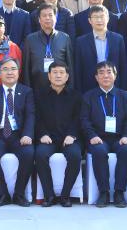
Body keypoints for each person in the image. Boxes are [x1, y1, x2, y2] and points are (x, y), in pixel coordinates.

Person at [80, 61, 127, 208]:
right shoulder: (88, 96)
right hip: (98, 138)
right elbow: (84, 120)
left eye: (109, 72)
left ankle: (119, 192)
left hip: (119, 138)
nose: (105, 76)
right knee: (99, 151)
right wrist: (91, 135)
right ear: (96, 77)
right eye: (101, 73)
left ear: (115, 76)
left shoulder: (124, 96)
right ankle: (103, 192)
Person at [0, 57, 35, 207]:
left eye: (13, 69)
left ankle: (19, 194)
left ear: (18, 72)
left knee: (28, 153)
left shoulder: (27, 92)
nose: (9, 72)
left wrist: (27, 134)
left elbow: (31, 115)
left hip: (19, 135)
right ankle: (3, 194)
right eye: (5, 69)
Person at [32, 62, 82, 208]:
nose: (58, 75)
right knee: (40, 155)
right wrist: (42, 134)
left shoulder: (76, 96)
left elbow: (79, 118)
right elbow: (36, 118)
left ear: (67, 76)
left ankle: (65, 195)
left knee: (75, 156)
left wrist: (72, 135)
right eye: (54, 72)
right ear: (49, 76)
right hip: (48, 138)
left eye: (61, 72)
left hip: (69, 138)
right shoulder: (39, 95)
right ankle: (49, 195)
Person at [74, 6, 127, 93]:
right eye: (95, 17)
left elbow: (123, 65)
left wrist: (123, 89)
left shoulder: (118, 39)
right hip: (89, 86)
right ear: (89, 20)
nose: (99, 20)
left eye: (102, 17)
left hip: (114, 85)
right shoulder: (81, 41)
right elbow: (78, 68)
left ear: (108, 19)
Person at [21, 3, 74, 90]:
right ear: (39, 19)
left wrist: (70, 89)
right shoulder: (30, 39)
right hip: (37, 88)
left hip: (60, 89)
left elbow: (70, 66)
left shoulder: (65, 38)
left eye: (50, 15)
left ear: (56, 17)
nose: (47, 18)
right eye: (44, 15)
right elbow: (26, 69)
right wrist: (27, 90)